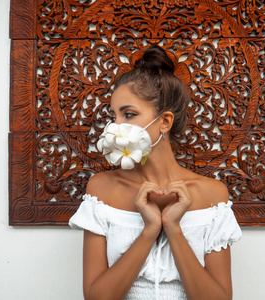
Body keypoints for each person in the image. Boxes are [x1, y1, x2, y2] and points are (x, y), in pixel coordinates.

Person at [69, 45, 242, 300]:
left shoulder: (212, 195)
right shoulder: (100, 189)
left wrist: (173, 227)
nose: (116, 127)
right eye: (114, 116)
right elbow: (97, 297)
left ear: (164, 122)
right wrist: (150, 230)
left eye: (129, 114)